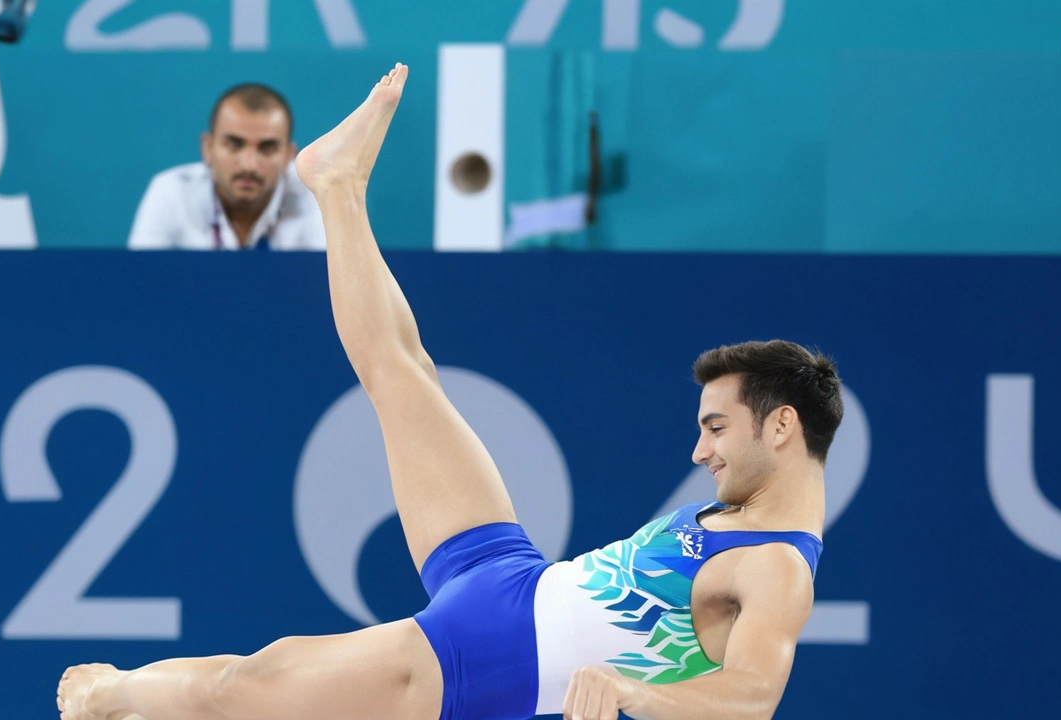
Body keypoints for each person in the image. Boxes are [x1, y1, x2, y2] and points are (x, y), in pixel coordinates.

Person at [57, 63, 842, 720]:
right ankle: (337, 187)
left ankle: (111, 697)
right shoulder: (738, 514)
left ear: (780, 429)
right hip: (508, 575)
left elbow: (751, 698)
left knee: (251, 686)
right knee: (402, 371)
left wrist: (629, 690)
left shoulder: (776, 565)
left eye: (716, 427)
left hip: (480, 664)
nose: (698, 448)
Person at [127, 83, 325, 251]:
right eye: (234, 145)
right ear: (208, 148)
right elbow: (140, 284)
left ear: (288, 157)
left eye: (267, 148)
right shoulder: (171, 192)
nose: (249, 165)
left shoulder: (317, 197)